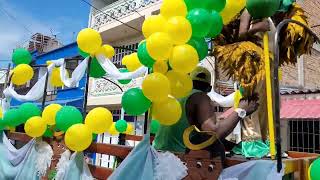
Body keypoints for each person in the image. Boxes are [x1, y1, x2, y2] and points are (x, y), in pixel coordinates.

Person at [153, 66, 259, 153]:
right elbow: (215, 133)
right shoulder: (200, 97)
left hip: (159, 152)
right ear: (209, 88)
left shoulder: (179, 95)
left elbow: (202, 133)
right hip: (176, 159)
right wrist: (241, 111)